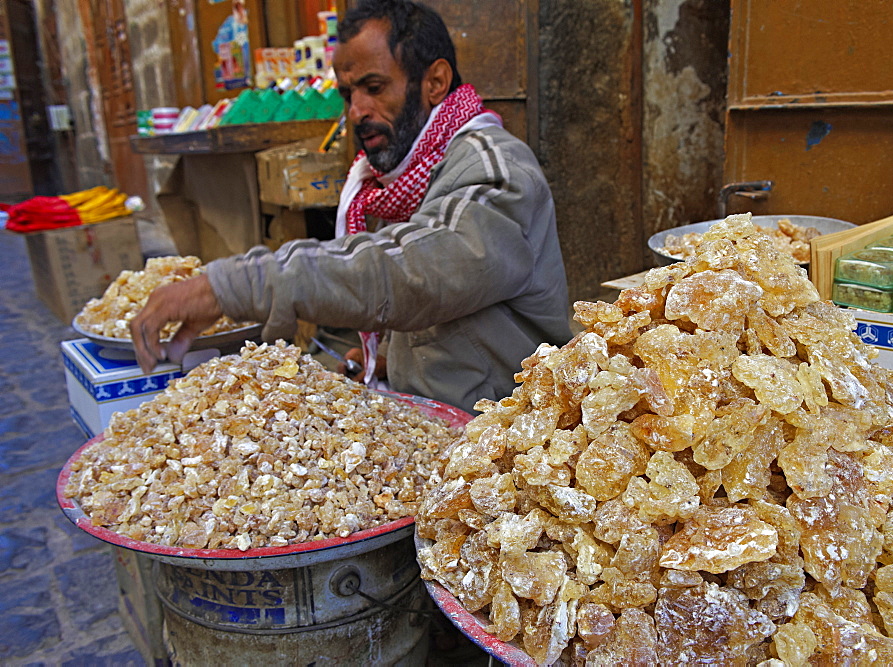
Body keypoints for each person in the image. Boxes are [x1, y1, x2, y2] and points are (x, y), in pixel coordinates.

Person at [130, 0, 571, 414]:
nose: (358, 111)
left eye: (374, 88)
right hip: (424, 409)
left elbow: (413, 272)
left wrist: (233, 285)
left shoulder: (496, 170)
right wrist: (393, 360)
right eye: (348, 94)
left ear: (435, 82)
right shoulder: (393, 173)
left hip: (501, 430)